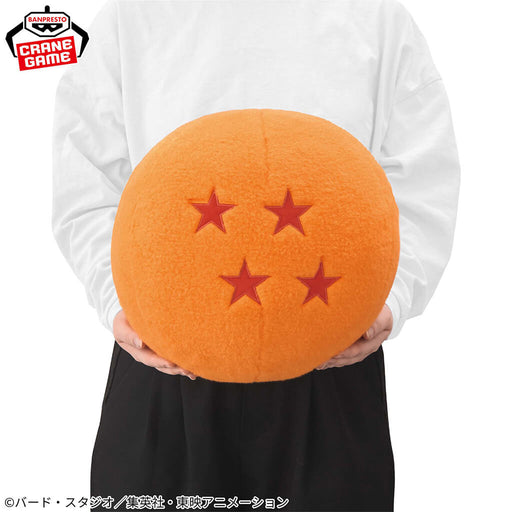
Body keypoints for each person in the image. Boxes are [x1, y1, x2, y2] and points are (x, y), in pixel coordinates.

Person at [52, 0, 460, 510]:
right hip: (165, 362)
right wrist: (121, 303)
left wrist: (389, 301)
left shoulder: (377, 18)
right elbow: (85, 176)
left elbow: (421, 178)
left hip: (330, 361)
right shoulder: (131, 16)